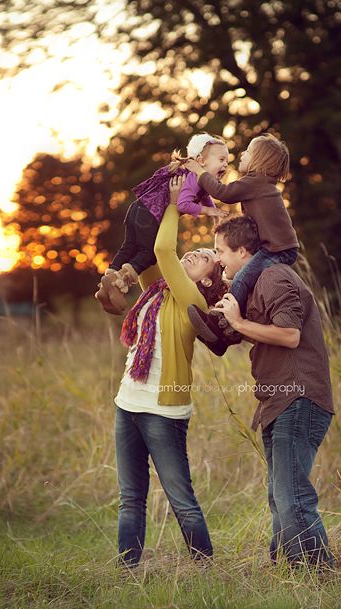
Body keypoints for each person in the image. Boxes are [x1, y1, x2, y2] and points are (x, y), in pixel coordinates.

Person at [208, 215, 335, 569]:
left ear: (243, 250)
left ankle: (316, 573)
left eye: (221, 251)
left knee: (292, 494)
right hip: (277, 400)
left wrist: (238, 323)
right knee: (280, 495)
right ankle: (286, 569)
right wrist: (231, 323)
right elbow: (265, 331)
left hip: (299, 396)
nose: (218, 258)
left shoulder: (274, 276)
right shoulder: (257, 281)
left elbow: (289, 335)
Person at [113, 177, 228, 568]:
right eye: (198, 249)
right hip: (127, 402)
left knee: (181, 499)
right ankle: (128, 571)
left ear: (210, 279)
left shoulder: (191, 299)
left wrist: (178, 204)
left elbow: (164, 248)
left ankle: (205, 567)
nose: (197, 252)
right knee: (131, 497)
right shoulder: (157, 289)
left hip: (164, 410)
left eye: (208, 257)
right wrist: (160, 199)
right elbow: (150, 250)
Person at [185, 133, 299, 346]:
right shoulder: (263, 184)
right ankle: (227, 333)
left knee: (242, 278)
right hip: (279, 248)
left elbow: (222, 192)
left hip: (277, 250)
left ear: (258, 161)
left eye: (248, 151)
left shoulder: (255, 182)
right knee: (247, 281)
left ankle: (219, 320)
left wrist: (200, 172)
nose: (242, 154)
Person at [96, 133, 228, 315]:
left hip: (138, 208)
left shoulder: (198, 181)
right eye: (221, 159)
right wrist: (209, 211)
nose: (226, 164)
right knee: (148, 253)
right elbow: (183, 204)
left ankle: (106, 285)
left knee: (129, 247)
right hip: (151, 214)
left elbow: (205, 197)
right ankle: (121, 280)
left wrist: (215, 216)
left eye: (227, 160)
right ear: (201, 161)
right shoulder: (193, 179)